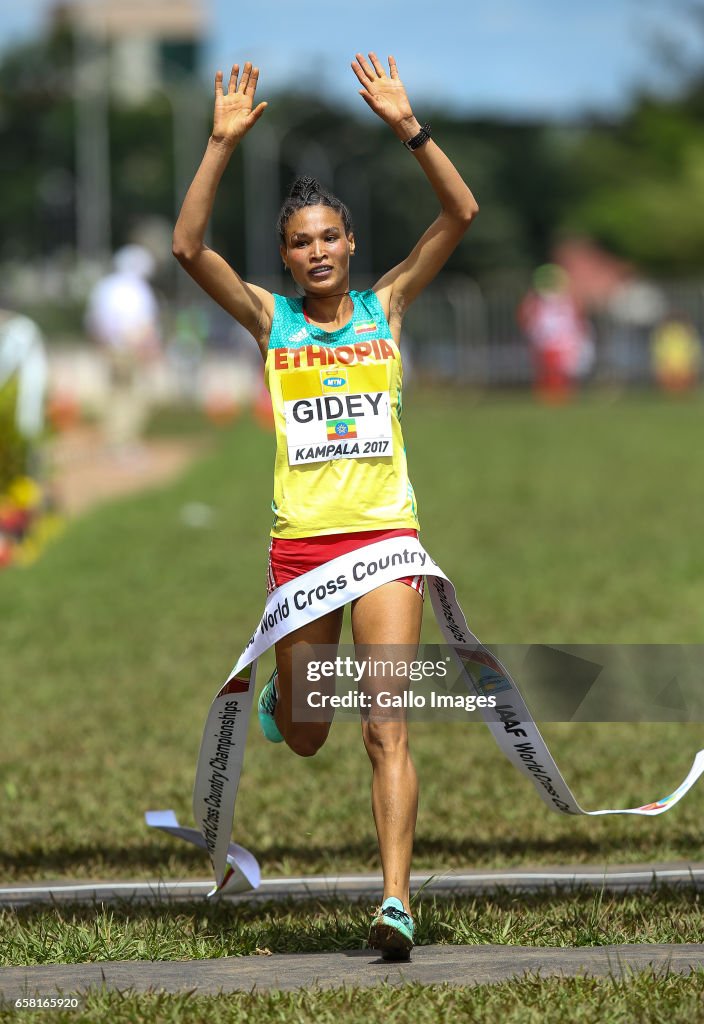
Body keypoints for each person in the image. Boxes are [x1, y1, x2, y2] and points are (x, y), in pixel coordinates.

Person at [172, 53, 478, 959]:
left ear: (350, 243)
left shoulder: (386, 306)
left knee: (386, 723)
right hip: (304, 549)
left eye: (329, 239)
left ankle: (394, 904)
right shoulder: (274, 321)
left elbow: (461, 214)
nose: (316, 253)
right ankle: (284, 702)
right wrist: (221, 145)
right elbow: (188, 248)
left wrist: (408, 127)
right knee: (307, 733)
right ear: (286, 255)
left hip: (387, 539)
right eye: (301, 242)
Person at [85, 245, 162, 454]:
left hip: (110, 347)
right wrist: (150, 349)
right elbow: (146, 324)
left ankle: (114, 439)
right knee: (132, 395)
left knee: (115, 394)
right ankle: (125, 442)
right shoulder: (139, 289)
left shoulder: (105, 286)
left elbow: (94, 320)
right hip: (132, 348)